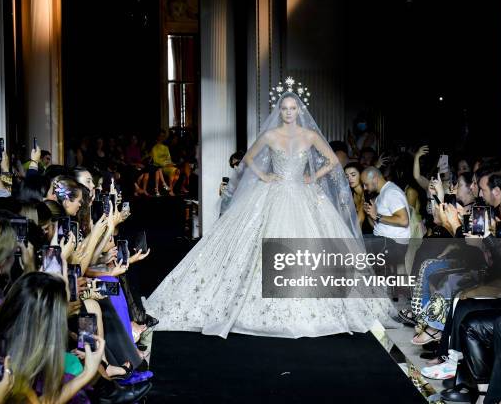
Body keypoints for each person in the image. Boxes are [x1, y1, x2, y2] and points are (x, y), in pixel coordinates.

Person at [144, 89, 397, 339]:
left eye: (292, 108)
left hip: (301, 193)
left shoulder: (309, 135)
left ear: (299, 110)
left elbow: (332, 161)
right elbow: (248, 159)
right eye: (284, 108)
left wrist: (312, 177)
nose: (288, 112)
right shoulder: (271, 135)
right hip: (273, 194)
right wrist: (265, 176)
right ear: (280, 111)